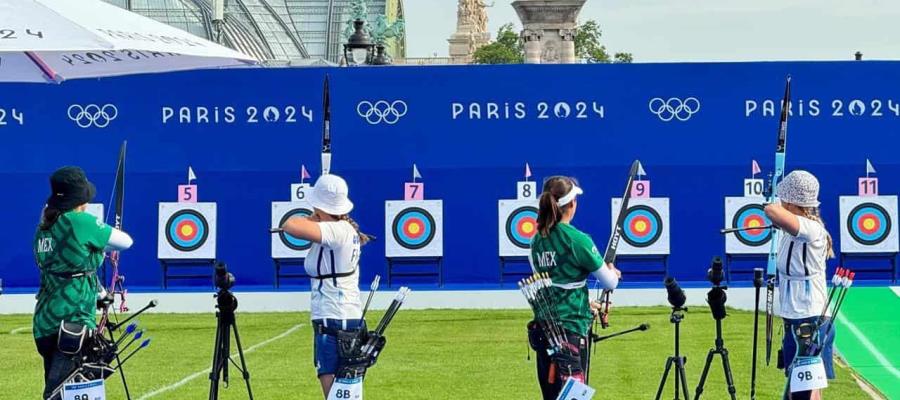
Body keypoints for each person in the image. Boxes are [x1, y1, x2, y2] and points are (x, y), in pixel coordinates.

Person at [34, 166, 133, 399]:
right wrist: (101, 245)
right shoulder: (79, 221)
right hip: (72, 322)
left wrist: (99, 294)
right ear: (80, 199)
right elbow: (125, 241)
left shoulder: (43, 228)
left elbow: (69, 272)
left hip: (45, 324)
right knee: (59, 394)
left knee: (66, 389)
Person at [527, 176, 621, 399]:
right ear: (571, 204)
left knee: (552, 395)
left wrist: (586, 301)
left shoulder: (536, 240)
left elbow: (549, 284)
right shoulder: (578, 240)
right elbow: (610, 282)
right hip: (570, 329)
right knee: (572, 397)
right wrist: (612, 272)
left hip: (545, 329)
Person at [281, 174, 371, 398]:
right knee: (344, 393)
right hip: (341, 316)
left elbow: (289, 224)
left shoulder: (336, 230)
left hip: (334, 318)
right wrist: (319, 216)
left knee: (337, 393)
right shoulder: (341, 229)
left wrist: (314, 218)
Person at [765, 170, 836, 400]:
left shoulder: (811, 229)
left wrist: (773, 200)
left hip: (810, 320)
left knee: (803, 395)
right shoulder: (796, 227)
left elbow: (772, 210)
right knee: (806, 392)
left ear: (791, 201)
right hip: (799, 317)